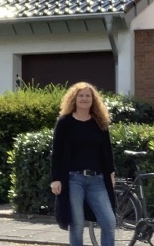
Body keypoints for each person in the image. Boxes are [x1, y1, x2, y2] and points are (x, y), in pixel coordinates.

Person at [50, 82, 117, 246]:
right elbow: (57, 152)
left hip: (97, 180)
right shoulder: (65, 122)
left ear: (93, 100)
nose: (85, 99)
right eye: (81, 95)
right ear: (74, 98)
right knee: (77, 224)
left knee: (109, 221)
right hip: (74, 180)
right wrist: (55, 178)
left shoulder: (99, 122)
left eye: (88, 96)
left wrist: (111, 172)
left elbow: (107, 150)